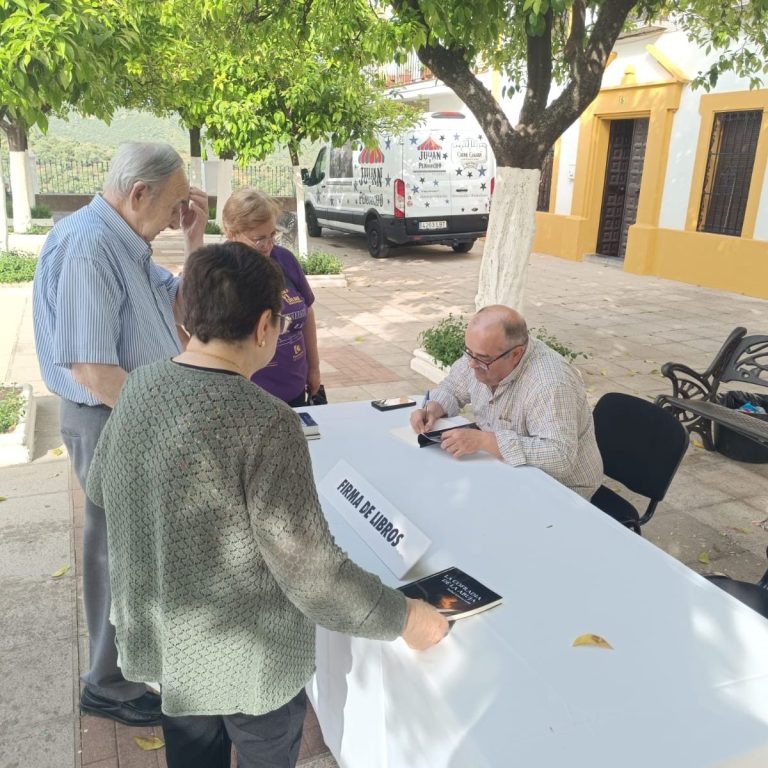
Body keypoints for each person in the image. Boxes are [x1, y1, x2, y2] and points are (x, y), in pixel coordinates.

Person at [85, 242, 449, 768]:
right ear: (263, 327)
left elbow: (103, 490)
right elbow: (314, 575)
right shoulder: (267, 421)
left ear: (187, 314)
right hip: (249, 663)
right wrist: (406, 617)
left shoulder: (140, 385)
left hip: (170, 647)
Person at [32, 142, 208, 725]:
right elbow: (92, 369)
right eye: (176, 204)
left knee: (129, 547)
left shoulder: (124, 240)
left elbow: (181, 308)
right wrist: (163, 417)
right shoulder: (91, 247)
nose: (179, 214)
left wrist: (195, 240)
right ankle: (107, 682)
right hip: (112, 416)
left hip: (127, 413)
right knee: (115, 551)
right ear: (139, 194)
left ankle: (126, 666)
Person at [410, 305, 603, 499]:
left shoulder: (550, 384)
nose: (471, 364)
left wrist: (485, 441)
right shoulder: (482, 352)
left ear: (516, 354)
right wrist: (434, 407)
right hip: (506, 470)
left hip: (562, 490)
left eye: (483, 359)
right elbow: (453, 387)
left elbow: (559, 456)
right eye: (469, 352)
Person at [222, 187, 321, 406]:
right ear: (232, 233)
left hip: (294, 387)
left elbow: (307, 311)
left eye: (272, 236)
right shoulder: (221, 272)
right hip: (249, 396)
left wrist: (314, 368)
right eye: (259, 239)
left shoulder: (284, 259)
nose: (268, 247)